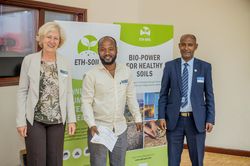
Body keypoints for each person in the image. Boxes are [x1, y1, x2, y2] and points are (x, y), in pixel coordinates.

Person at [16, 22, 76, 166]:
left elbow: (68, 92)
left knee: (55, 160)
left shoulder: (64, 62)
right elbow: (22, 91)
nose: (52, 41)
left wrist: (72, 119)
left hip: (57, 120)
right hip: (35, 119)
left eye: (56, 38)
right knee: (37, 160)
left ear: (60, 42)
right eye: (49, 37)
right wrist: (20, 121)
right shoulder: (29, 60)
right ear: (41, 39)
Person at [81, 36, 143, 166]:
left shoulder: (126, 71)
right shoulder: (91, 74)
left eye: (110, 49)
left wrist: (137, 117)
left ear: (116, 50)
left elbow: (131, 96)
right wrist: (92, 124)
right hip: (99, 129)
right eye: (103, 49)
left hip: (120, 129)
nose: (107, 53)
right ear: (98, 51)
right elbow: (86, 102)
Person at [158, 34, 215, 166]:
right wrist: (161, 116)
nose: (186, 48)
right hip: (174, 121)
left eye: (190, 45)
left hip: (196, 121)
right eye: (183, 44)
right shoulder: (170, 66)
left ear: (195, 47)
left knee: (197, 161)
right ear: (179, 46)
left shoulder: (205, 67)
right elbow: (163, 94)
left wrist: (210, 118)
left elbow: (210, 94)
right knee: (172, 160)